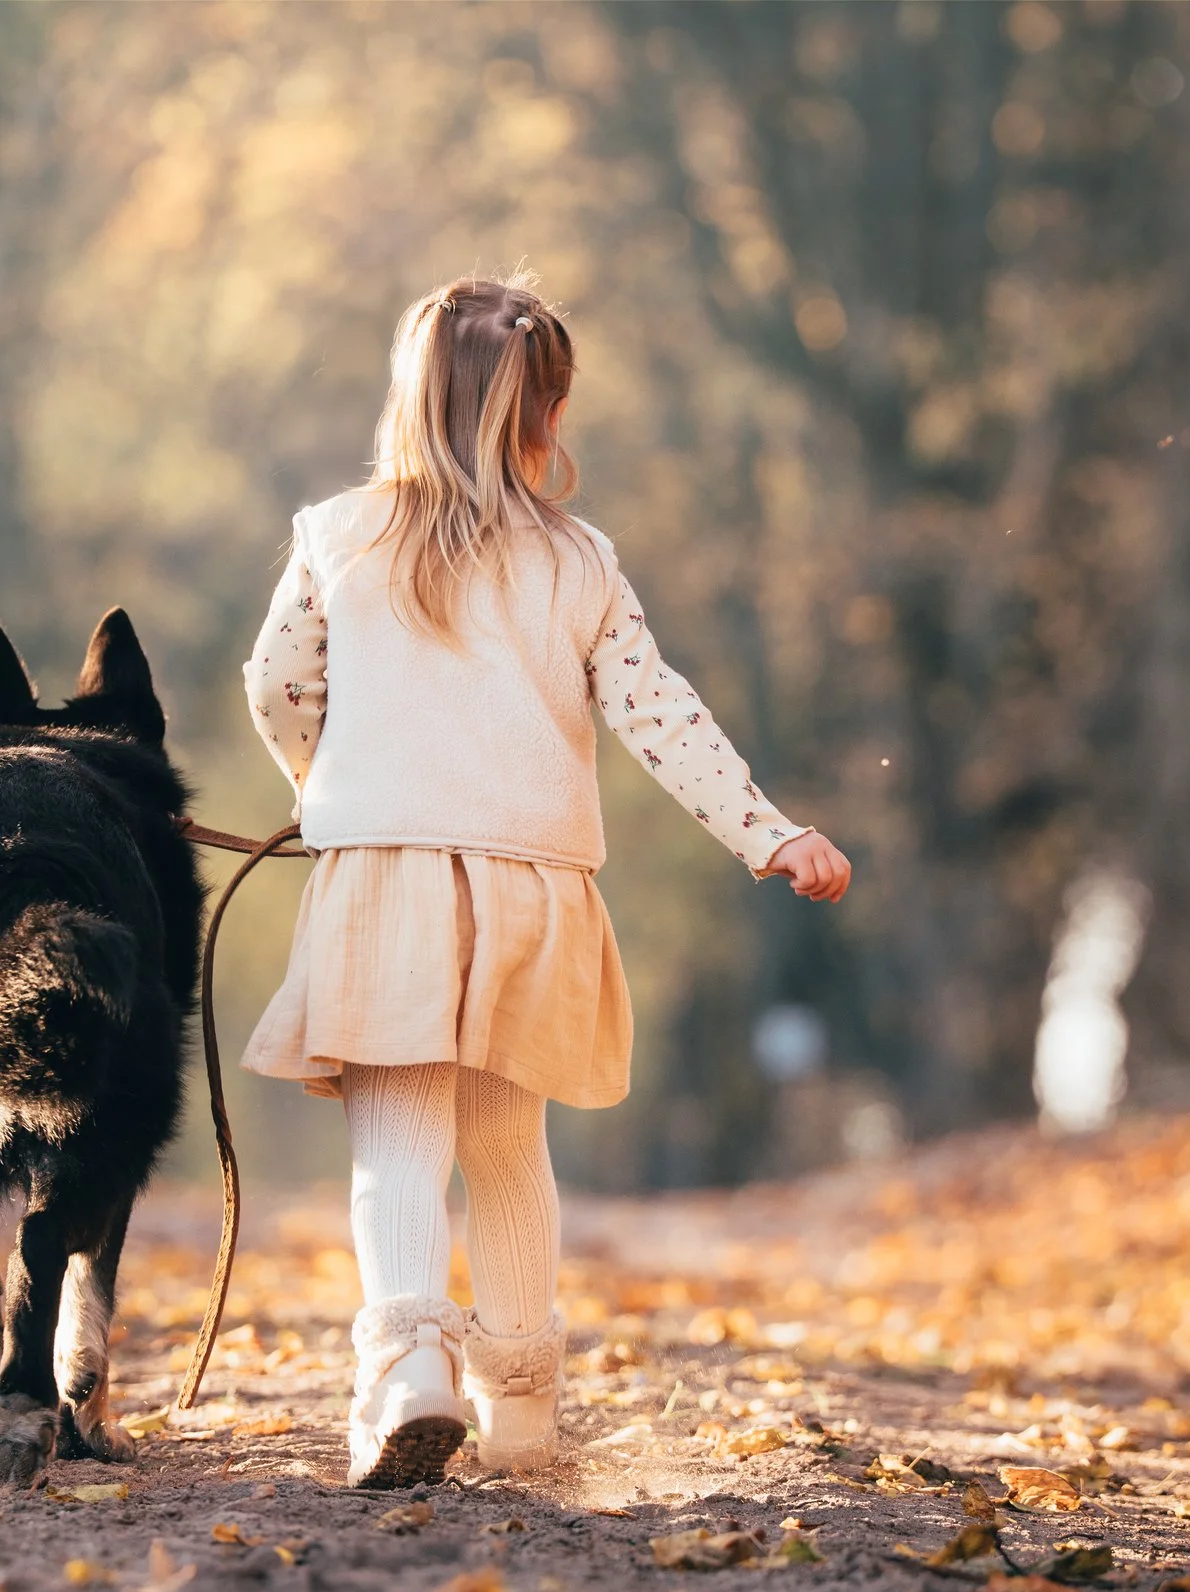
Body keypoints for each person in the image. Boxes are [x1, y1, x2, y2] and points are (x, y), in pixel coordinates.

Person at [240, 275, 853, 1489]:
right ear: (543, 414)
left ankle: (410, 1368)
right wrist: (765, 831)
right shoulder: (579, 562)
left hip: (386, 876)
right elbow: (656, 712)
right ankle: (519, 1412)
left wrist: (325, 783)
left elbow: (277, 685)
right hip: (534, 891)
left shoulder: (337, 534)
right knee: (507, 1146)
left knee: (398, 1135)